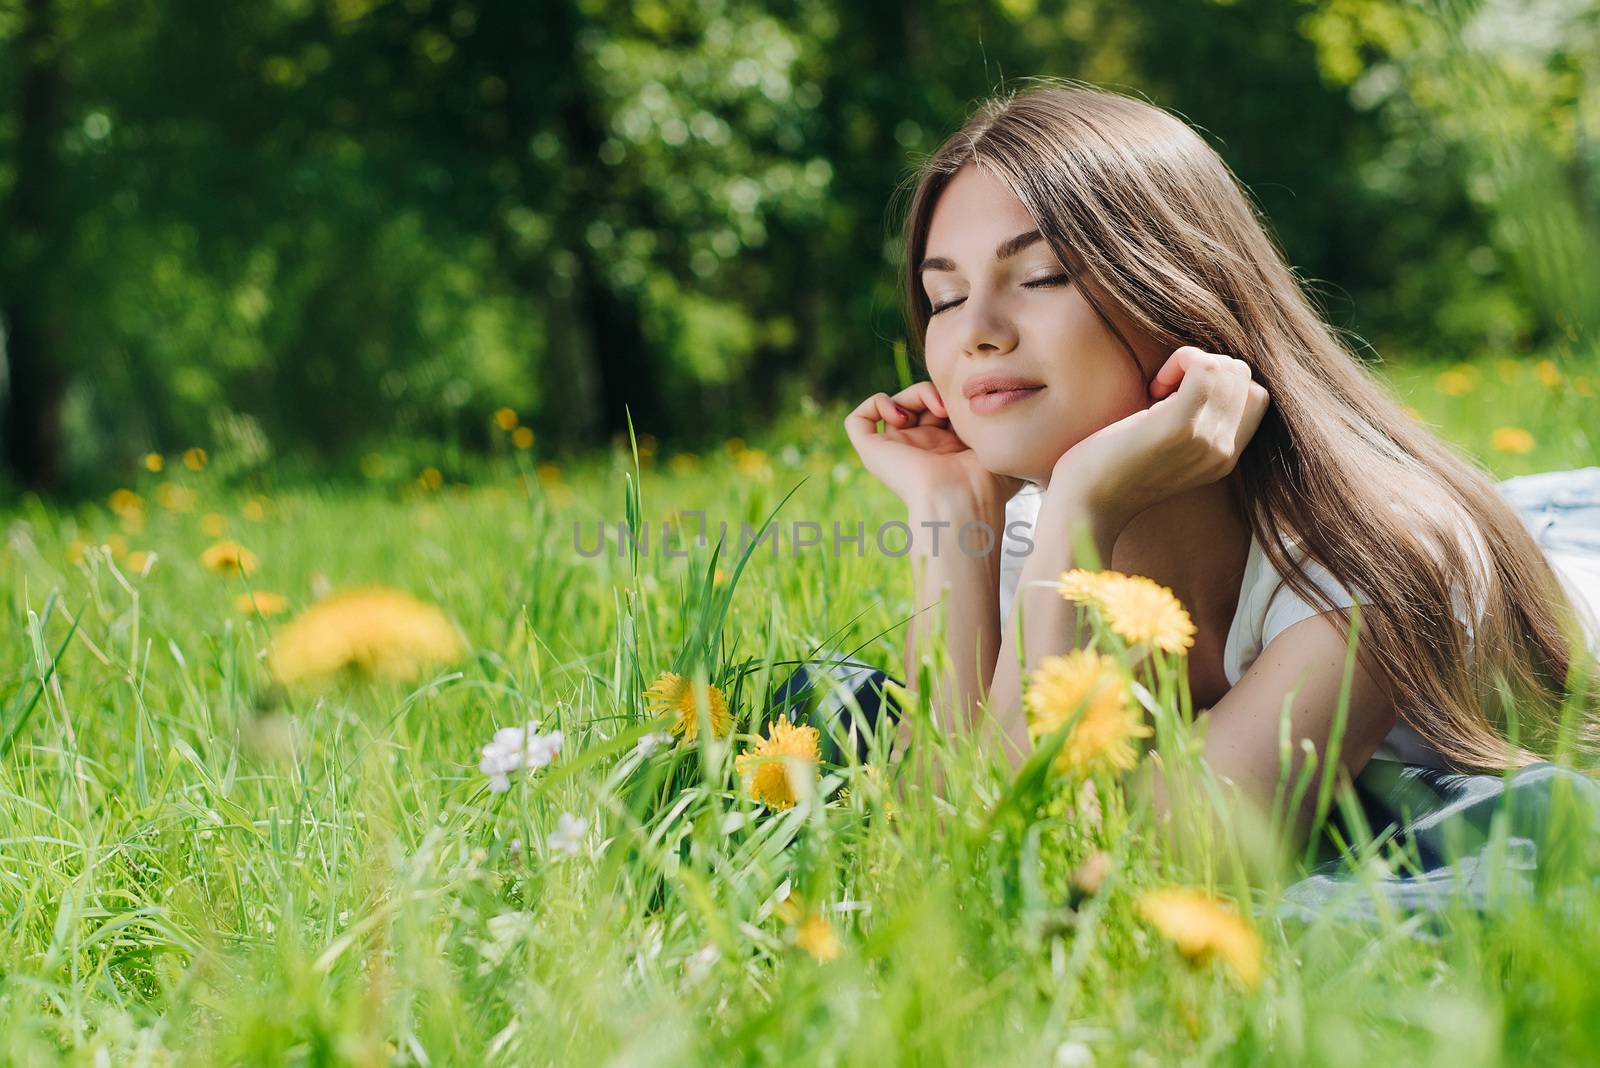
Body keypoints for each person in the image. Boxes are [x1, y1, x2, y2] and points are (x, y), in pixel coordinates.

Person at [821, 78, 1600, 857]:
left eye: (1042, 278)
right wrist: (951, 516)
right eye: (945, 296)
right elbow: (938, 840)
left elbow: (1172, 856)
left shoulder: (1382, 562)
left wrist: (1084, 509)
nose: (977, 334)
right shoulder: (1034, 540)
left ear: (1179, 287)